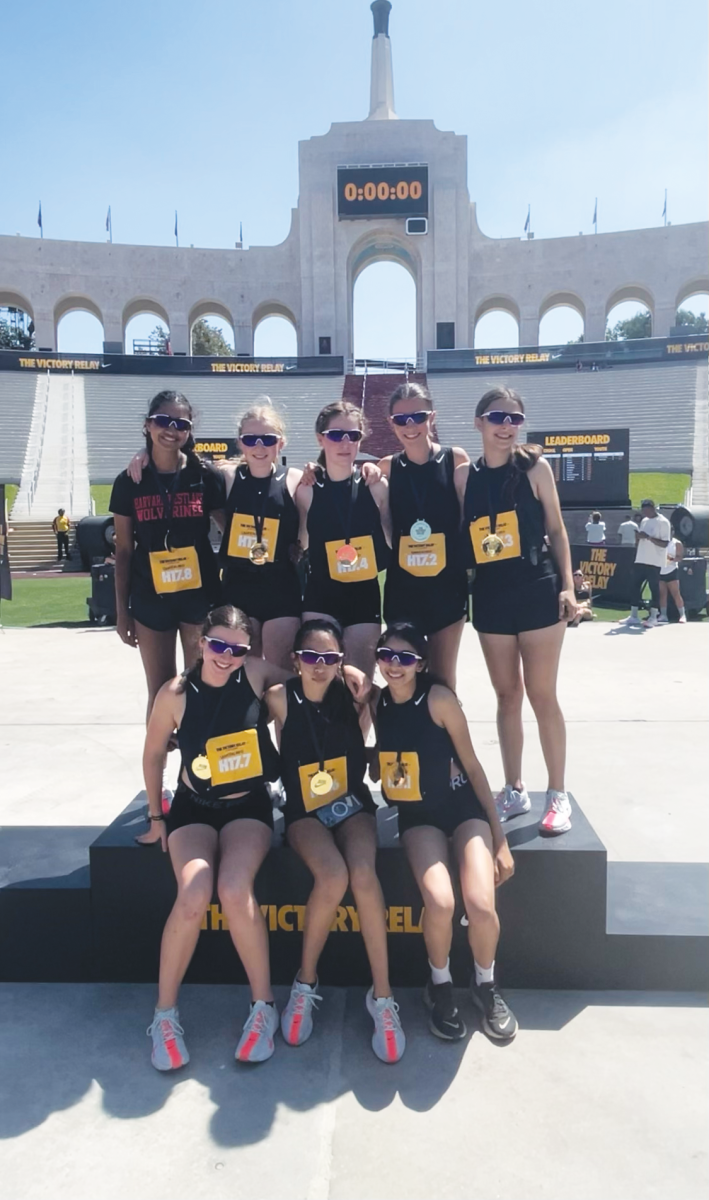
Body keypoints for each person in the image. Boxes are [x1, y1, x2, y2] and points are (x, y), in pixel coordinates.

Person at [138, 606, 287, 1068]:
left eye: (237, 648)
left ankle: (263, 1008)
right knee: (194, 892)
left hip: (247, 807)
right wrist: (156, 817)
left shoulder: (257, 674)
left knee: (233, 888)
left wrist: (350, 671)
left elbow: (308, 679)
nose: (226, 656)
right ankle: (164, 1016)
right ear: (201, 642)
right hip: (193, 808)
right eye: (218, 645)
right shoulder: (176, 693)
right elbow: (152, 756)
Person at [265, 619, 405, 1063]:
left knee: (362, 874)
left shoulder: (360, 696)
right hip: (304, 810)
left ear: (342, 660)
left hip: (353, 803)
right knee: (331, 876)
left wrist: (370, 691)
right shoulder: (278, 698)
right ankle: (305, 983)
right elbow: (237, 702)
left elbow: (401, 721)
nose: (319, 666)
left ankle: (382, 998)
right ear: (295, 660)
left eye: (330, 658)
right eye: (310, 656)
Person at [370, 623, 516, 1043]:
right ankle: (440, 986)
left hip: (461, 805)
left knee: (481, 904)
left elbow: (472, 767)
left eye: (405, 658)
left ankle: (485, 985)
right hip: (418, 814)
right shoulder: (378, 702)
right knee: (439, 900)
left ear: (421, 663)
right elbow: (382, 763)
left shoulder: (438, 699)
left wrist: (500, 839)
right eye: (386, 655)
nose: (394, 666)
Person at [455, 386, 578, 836]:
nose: (506, 425)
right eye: (497, 416)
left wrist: (568, 586)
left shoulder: (535, 468)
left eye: (514, 418)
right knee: (507, 695)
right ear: (478, 422)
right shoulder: (465, 476)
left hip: (536, 587)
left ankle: (558, 794)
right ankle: (514, 788)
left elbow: (559, 531)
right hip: (489, 593)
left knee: (542, 694)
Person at [110, 391, 226, 724]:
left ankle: (197, 773)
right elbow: (123, 551)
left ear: (190, 431)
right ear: (148, 425)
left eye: (181, 424)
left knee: (199, 686)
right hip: (150, 597)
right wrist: (122, 613)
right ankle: (155, 773)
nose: (171, 430)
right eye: (163, 421)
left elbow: (230, 530)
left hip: (199, 596)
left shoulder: (205, 476)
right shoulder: (129, 481)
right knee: (161, 691)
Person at [369, 382, 469, 691]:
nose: (410, 425)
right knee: (402, 679)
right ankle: (404, 740)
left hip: (446, 586)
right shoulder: (386, 467)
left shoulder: (454, 459)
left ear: (432, 418)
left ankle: (444, 739)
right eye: (401, 419)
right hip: (404, 588)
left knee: (442, 678)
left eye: (418, 417)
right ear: (391, 423)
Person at [296, 401, 391, 676]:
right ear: (320, 438)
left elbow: (392, 540)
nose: (345, 442)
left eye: (354, 435)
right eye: (336, 435)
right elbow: (300, 543)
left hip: (364, 596)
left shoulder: (376, 486)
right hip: (321, 596)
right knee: (319, 686)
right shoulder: (306, 490)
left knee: (359, 686)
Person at [620, 499, 671, 628]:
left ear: (653, 508)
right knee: (634, 586)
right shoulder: (644, 521)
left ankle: (654, 616)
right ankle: (634, 615)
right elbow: (642, 538)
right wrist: (639, 538)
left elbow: (665, 543)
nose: (644, 513)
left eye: (646, 510)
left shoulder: (663, 522)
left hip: (655, 560)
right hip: (641, 558)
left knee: (654, 588)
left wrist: (648, 537)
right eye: (643, 510)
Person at [658, 535, 686, 624]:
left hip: (672, 570)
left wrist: (668, 559)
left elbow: (679, 557)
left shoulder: (676, 543)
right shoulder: (659, 541)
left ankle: (682, 615)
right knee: (662, 594)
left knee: (676, 593)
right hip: (660, 571)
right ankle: (663, 615)